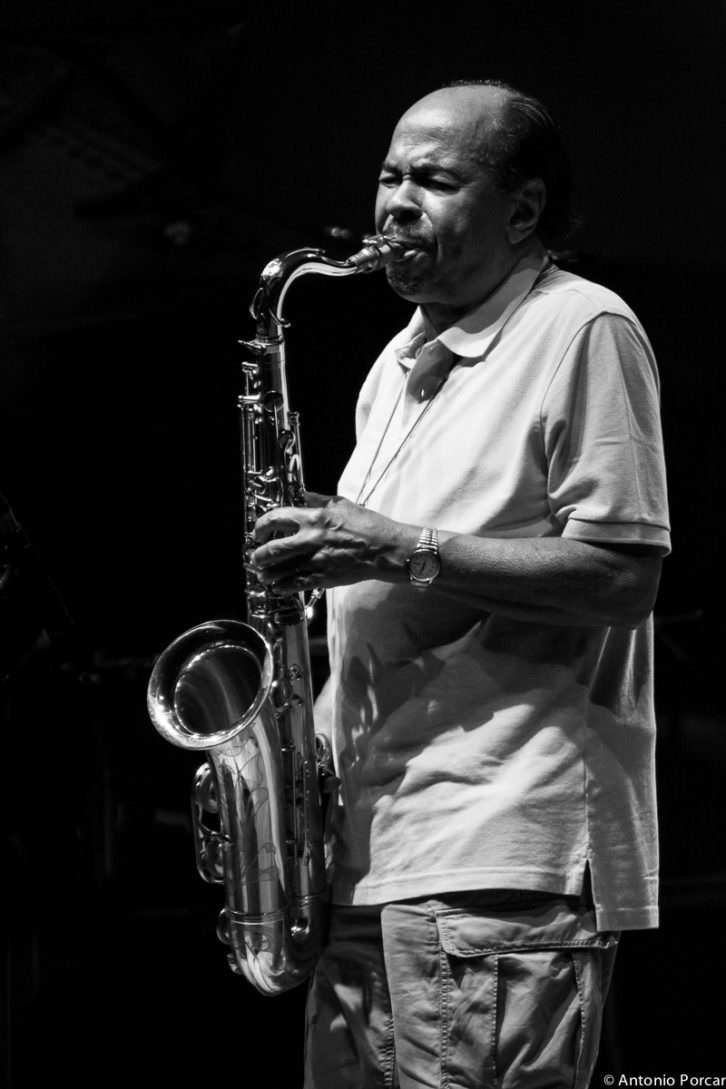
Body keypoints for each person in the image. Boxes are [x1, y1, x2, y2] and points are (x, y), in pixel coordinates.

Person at [252, 80, 670, 1089]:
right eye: (391, 176)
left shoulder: (581, 329)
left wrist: (400, 548)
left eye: (435, 181)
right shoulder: (397, 362)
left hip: (498, 857)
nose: (397, 203)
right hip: (371, 856)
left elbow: (623, 576)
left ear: (522, 210)